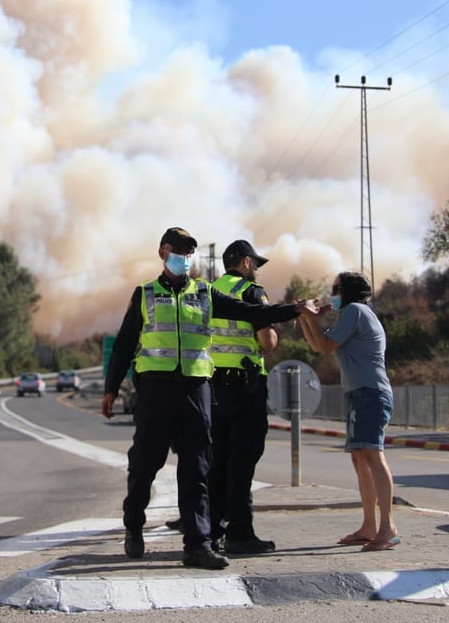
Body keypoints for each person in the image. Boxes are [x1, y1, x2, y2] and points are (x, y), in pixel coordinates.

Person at [100, 227, 316, 570]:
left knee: (197, 467)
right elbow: (125, 345)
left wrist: (294, 309)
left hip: (197, 389)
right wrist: (111, 388)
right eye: (178, 252)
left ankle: (198, 544)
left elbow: (252, 314)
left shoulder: (205, 293)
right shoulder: (144, 294)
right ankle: (134, 524)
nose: (184, 258)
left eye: (189, 253)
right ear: (162, 253)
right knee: (145, 464)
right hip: (156, 390)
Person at [297, 270, 400, 552]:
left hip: (371, 393)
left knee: (373, 455)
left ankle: (387, 526)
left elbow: (326, 344)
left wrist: (308, 315)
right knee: (360, 459)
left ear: (348, 292)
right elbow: (318, 345)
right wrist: (305, 316)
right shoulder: (351, 314)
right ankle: (368, 525)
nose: (332, 294)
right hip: (358, 394)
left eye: (336, 289)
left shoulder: (355, 311)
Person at [205, 239, 279, 554]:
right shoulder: (251, 293)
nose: (258, 271)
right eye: (256, 265)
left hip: (212, 387)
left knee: (217, 462)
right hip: (245, 387)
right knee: (242, 462)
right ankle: (240, 533)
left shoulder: (208, 292)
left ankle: (210, 531)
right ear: (246, 263)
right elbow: (267, 341)